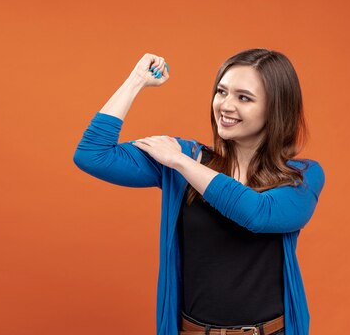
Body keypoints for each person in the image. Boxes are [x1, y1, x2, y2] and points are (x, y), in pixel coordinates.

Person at [72, 49, 325, 335]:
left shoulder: (300, 175)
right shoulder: (188, 157)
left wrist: (181, 163)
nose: (226, 106)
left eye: (244, 97)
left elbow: (256, 214)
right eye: (221, 92)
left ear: (276, 109)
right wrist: (136, 80)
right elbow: (92, 155)